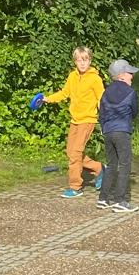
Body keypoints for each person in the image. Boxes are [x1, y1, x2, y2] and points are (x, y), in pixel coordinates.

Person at [43, 46, 105, 198]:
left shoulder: (95, 79)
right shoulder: (72, 76)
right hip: (75, 120)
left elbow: (101, 99)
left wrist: (105, 117)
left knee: (76, 153)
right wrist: (47, 99)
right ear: (75, 62)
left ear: (90, 60)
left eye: (85, 60)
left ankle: (75, 187)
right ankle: (99, 168)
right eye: (79, 60)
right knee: (71, 153)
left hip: (87, 120)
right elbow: (64, 93)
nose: (82, 63)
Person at [96, 59, 139, 213]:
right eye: (129, 73)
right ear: (121, 75)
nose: (132, 76)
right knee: (125, 164)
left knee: (111, 164)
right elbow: (134, 112)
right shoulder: (130, 92)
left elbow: (101, 113)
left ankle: (103, 199)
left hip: (107, 131)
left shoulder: (105, 92)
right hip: (122, 131)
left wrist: (104, 128)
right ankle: (120, 201)